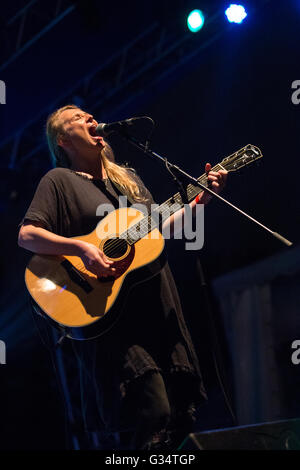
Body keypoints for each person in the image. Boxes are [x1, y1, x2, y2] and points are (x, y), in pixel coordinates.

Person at [18, 104, 227, 450]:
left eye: (90, 115)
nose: (89, 118)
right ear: (62, 140)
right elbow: (27, 235)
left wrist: (199, 204)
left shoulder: (126, 184)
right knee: (153, 409)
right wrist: (81, 249)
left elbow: (158, 230)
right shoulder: (59, 181)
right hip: (113, 317)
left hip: (156, 304)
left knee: (180, 416)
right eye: (78, 118)